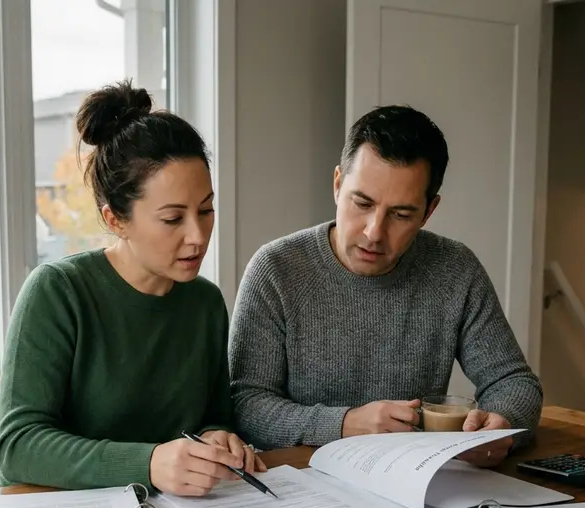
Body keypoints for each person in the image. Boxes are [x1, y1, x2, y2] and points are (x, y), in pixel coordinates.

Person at [229, 104, 543, 468]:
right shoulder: (276, 269)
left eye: (400, 214)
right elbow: (246, 405)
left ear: (429, 211)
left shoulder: (455, 270)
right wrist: (344, 424)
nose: (374, 232)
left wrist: (501, 426)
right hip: (302, 483)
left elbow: (514, 381)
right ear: (337, 185)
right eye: (362, 203)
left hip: (414, 483)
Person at [0, 79, 265, 496]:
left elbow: (213, 416)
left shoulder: (205, 303)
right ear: (115, 220)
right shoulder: (58, 292)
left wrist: (217, 437)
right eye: (173, 219)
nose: (198, 236)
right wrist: (149, 463)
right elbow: (17, 446)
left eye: (206, 210)